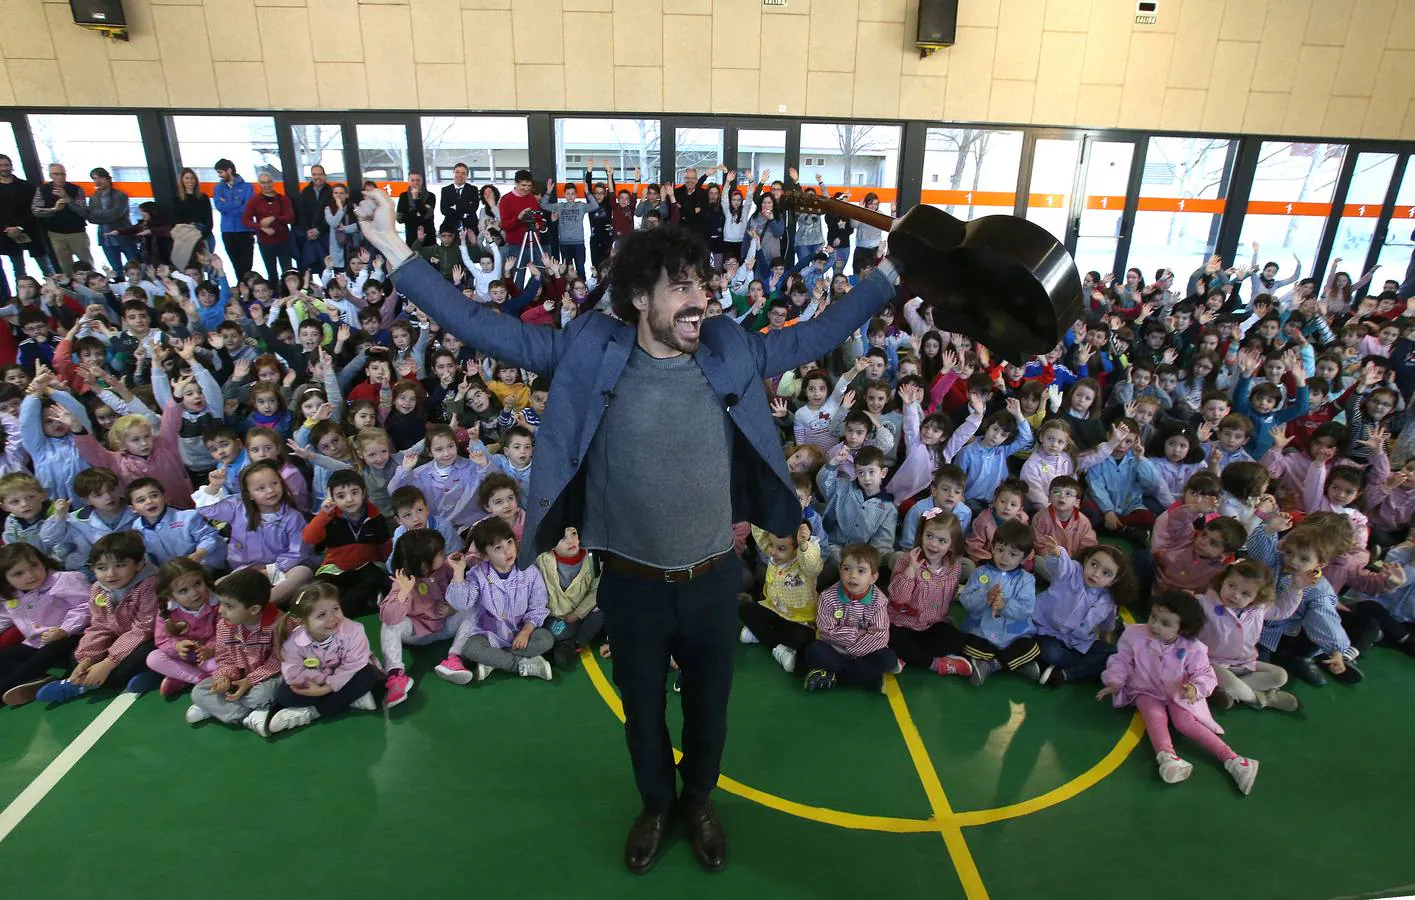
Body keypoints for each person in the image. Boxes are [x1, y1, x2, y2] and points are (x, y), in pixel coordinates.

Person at [351, 185, 902, 875]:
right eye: (680, 288)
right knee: (641, 714)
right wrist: (393, 248)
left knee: (709, 714)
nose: (698, 300)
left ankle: (698, 802)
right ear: (641, 298)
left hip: (712, 580)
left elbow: (817, 334)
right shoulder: (590, 352)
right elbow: (477, 324)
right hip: (633, 586)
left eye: (701, 284)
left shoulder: (729, 351)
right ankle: (654, 804)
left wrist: (889, 272)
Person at [1099, 590, 1260, 795]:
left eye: (1165, 623)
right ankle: (1167, 756)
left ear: (1182, 629)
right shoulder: (1135, 634)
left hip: (1178, 692)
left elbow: (1204, 673)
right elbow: (1121, 659)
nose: (1155, 625)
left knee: (1185, 722)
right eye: (1153, 617)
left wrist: (1195, 687)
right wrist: (1115, 679)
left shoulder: (1194, 648)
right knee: (1154, 716)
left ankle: (1235, 760)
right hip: (1145, 688)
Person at [267, 581, 379, 734]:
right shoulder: (293, 642)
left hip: (345, 677)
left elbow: (354, 664)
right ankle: (350, 699)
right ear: (302, 622)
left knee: (368, 675)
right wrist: (317, 684)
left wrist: (326, 688)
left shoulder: (354, 630)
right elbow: (292, 673)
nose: (332, 618)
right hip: (315, 682)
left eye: (335, 609)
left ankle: (311, 713)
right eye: (322, 615)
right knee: (285, 695)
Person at [30, 163, 90, 276]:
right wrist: (53, 210)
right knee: (65, 267)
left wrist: (67, 199)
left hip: (77, 233)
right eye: (56, 174)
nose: (60, 177)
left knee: (86, 264)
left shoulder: (75, 189)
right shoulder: (43, 190)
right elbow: (35, 211)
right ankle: (72, 290)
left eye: (63, 174)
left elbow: (83, 211)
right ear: (50, 175)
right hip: (56, 234)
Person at [242, 172, 296, 279]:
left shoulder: (282, 199)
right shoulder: (254, 201)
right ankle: (274, 292)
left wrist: (274, 217)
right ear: (259, 184)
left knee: (287, 271)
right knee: (271, 272)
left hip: (283, 241)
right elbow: (246, 220)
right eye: (263, 183)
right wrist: (261, 228)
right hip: (265, 242)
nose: (266, 185)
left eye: (269, 182)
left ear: (273, 182)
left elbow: (290, 218)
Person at [86, 168, 138, 272]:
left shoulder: (120, 195)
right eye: (95, 179)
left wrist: (96, 212)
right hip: (106, 239)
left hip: (124, 236)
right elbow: (90, 219)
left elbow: (116, 214)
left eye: (100, 178)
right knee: (116, 270)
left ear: (108, 179)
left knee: (135, 268)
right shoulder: (93, 198)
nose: (97, 181)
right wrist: (103, 215)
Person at [213, 158, 256, 277]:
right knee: (236, 265)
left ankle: (250, 289)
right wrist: (237, 203)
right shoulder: (219, 188)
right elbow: (220, 207)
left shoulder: (247, 187)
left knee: (247, 265)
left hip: (245, 230)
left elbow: (248, 209)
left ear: (229, 170)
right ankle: (242, 290)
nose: (219, 175)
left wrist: (229, 206)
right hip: (227, 231)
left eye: (221, 172)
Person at [294, 164, 331, 273]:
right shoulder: (305, 192)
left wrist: (319, 230)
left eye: (319, 174)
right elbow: (301, 214)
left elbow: (334, 214)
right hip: (309, 236)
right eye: (314, 174)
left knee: (326, 268)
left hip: (326, 235)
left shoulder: (331, 192)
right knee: (308, 268)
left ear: (324, 176)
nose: (317, 177)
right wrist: (309, 231)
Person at [397, 172, 437, 247]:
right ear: (408, 181)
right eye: (412, 180)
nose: (415, 182)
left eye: (418, 180)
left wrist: (416, 198)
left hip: (428, 235)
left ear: (422, 181)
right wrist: (417, 213)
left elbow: (427, 216)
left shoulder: (431, 196)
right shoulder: (403, 196)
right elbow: (400, 219)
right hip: (411, 236)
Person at [438, 162, 475, 236]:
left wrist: (454, 207)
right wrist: (464, 213)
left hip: (470, 227)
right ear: (453, 174)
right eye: (457, 172)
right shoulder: (445, 190)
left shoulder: (473, 189)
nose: (460, 175)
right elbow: (444, 210)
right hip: (450, 228)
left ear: (467, 176)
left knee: (471, 247)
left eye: (463, 173)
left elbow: (473, 209)